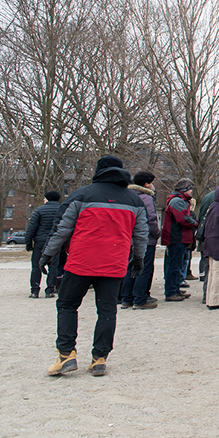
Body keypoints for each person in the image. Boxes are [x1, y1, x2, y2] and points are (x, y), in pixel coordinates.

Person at [41, 155, 148, 377]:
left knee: (67, 305)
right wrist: (138, 261)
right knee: (107, 311)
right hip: (114, 264)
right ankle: (99, 358)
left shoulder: (81, 194)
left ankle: (66, 355)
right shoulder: (135, 200)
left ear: (99, 171)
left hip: (81, 261)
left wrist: (47, 255)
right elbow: (141, 237)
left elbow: (61, 229)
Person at [121, 172, 161, 309]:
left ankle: (126, 297)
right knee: (143, 269)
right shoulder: (146, 198)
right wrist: (156, 233)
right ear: (146, 184)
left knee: (130, 268)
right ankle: (140, 299)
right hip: (145, 239)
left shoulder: (126, 196)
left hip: (129, 239)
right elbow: (150, 219)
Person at [160, 178, 198, 302]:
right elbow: (183, 219)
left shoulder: (180, 200)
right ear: (185, 189)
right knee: (174, 265)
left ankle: (175, 289)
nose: (192, 191)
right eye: (190, 188)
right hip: (176, 237)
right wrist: (195, 223)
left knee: (177, 264)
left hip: (179, 236)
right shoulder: (177, 201)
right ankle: (171, 291)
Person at [25, 190, 61, 299]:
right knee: (53, 266)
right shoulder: (63, 210)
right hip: (55, 241)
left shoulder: (39, 210)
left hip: (40, 241)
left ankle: (34, 291)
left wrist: (28, 243)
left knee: (36, 266)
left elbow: (31, 228)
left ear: (47, 198)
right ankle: (50, 290)